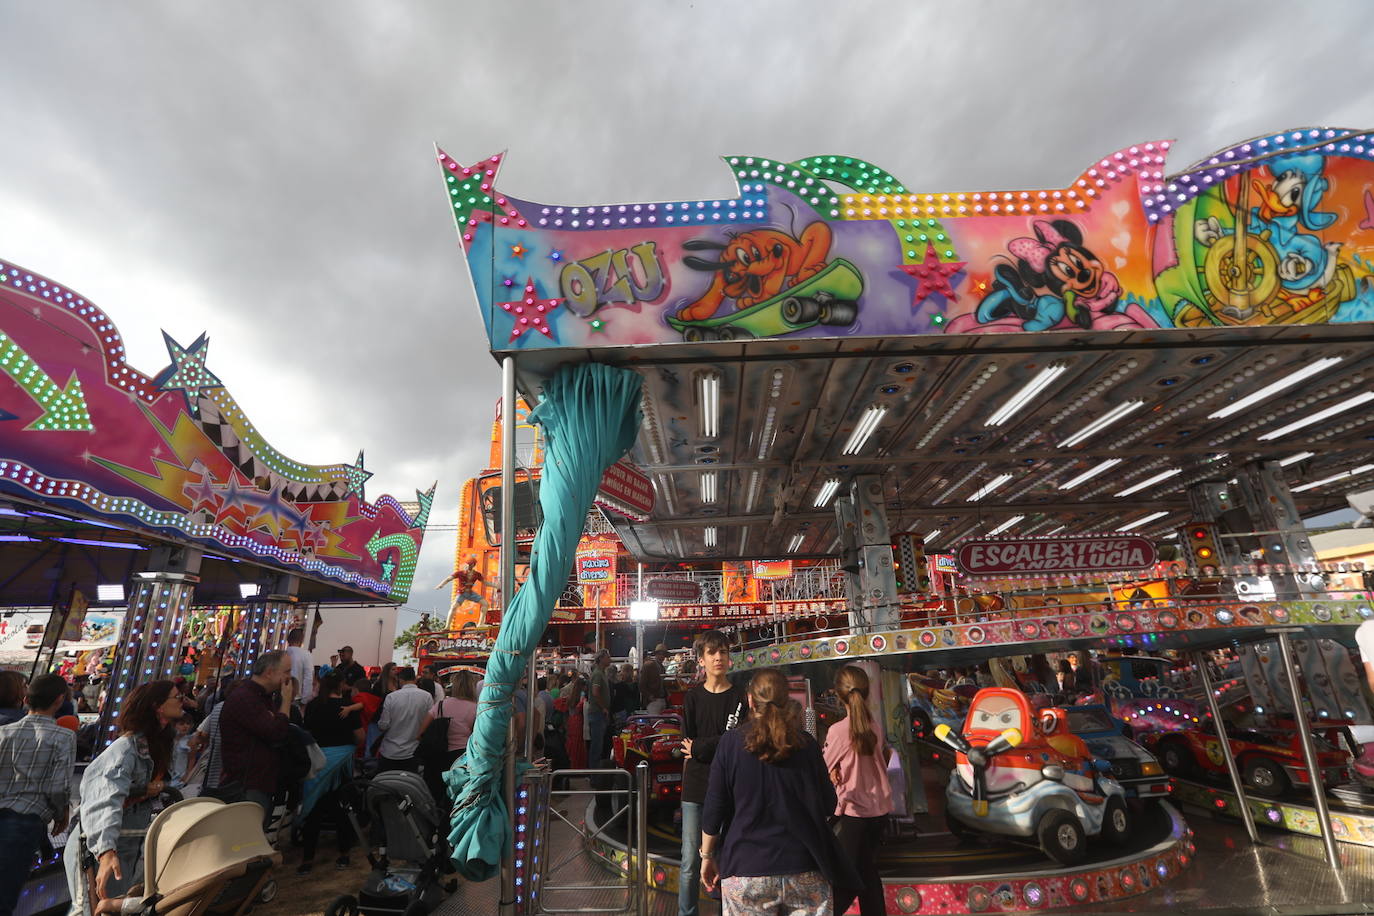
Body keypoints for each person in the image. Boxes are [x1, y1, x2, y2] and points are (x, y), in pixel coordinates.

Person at [700, 668, 853, 916]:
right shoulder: (806, 744)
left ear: (750, 699)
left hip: (746, 868)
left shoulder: (730, 743)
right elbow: (828, 804)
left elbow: (714, 808)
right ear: (787, 699)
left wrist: (707, 855)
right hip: (805, 866)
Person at [66, 681, 183, 915]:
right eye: (177, 696)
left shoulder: (156, 744)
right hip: (100, 845)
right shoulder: (124, 750)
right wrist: (106, 851)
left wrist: (148, 789)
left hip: (125, 842)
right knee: (90, 910)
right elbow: (104, 799)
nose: (183, 700)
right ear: (157, 706)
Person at [679, 630, 748, 916]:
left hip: (732, 787)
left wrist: (702, 748)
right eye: (712, 652)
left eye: (723, 652)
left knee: (730, 857)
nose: (719, 657)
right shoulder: (692, 698)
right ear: (701, 660)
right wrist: (714, 744)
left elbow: (740, 742)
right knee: (690, 862)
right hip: (696, 787)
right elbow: (687, 746)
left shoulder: (740, 696)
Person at [0, 674, 75, 916]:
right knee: (5, 894)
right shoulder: (63, 736)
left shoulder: (5, 732)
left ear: (27, 699)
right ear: (59, 700)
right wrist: (61, 811)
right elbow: (57, 787)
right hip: (26, 820)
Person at [823, 666, 892, 916]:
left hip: (854, 814)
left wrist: (832, 774)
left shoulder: (838, 731)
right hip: (879, 811)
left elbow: (822, 769)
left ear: (838, 695)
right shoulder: (874, 726)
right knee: (866, 874)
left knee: (846, 879)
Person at [298, 673, 363, 874]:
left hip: (317, 764)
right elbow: (360, 736)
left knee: (313, 812)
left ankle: (307, 859)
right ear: (341, 685)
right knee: (342, 811)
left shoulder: (314, 705)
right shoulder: (347, 706)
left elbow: (306, 732)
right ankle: (343, 855)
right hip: (340, 766)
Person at [220, 650, 294, 818]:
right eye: (287, 671)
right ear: (269, 673)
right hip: (247, 784)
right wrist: (287, 701)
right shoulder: (246, 698)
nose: (289, 677)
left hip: (260, 780)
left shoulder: (262, 697)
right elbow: (277, 732)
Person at [418, 669, 478, 805]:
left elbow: (421, 732)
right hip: (462, 759)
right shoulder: (475, 708)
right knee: (457, 801)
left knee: (436, 798)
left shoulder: (440, 705)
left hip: (437, 757)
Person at [375, 666, 432, 772]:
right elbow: (428, 723)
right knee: (408, 786)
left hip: (390, 751)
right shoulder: (427, 697)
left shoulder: (391, 697)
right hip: (413, 752)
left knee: (385, 784)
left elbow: (383, 725)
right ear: (415, 679)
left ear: (400, 679)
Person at [587, 649, 612, 765]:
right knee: (597, 745)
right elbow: (596, 692)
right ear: (601, 659)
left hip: (598, 713)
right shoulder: (598, 674)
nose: (610, 659)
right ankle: (594, 775)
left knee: (597, 745)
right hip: (597, 713)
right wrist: (603, 707)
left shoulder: (600, 673)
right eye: (607, 657)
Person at [286, 627, 315, 708]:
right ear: (301, 640)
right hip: (297, 697)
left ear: (288, 639)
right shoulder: (306, 655)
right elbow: (308, 678)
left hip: (280, 695)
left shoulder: (281, 654)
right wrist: (305, 700)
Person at [640, 644, 668, 715]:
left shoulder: (662, 667)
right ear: (656, 654)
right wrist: (649, 696)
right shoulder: (648, 665)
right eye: (660, 654)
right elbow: (641, 684)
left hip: (660, 698)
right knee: (655, 722)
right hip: (654, 700)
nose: (662, 656)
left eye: (663, 654)